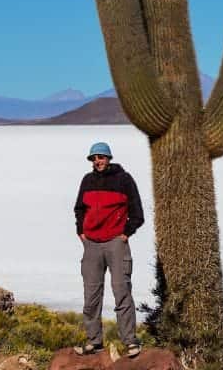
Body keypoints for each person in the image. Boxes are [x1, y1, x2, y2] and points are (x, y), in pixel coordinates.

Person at [73, 141, 144, 357]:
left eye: (101, 157)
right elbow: (79, 208)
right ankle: (94, 341)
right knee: (91, 296)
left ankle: (130, 341)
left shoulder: (124, 179)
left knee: (122, 292)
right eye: (94, 158)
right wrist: (81, 232)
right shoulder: (87, 180)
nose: (97, 161)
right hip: (91, 244)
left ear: (109, 158)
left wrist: (126, 233)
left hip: (115, 242)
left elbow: (137, 211)